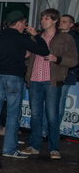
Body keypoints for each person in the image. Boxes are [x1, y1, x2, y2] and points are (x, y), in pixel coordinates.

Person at [0, 10, 49, 158]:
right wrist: (36, 36)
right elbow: (44, 51)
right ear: (19, 23)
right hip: (14, 77)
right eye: (24, 23)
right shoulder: (21, 38)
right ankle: (9, 150)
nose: (25, 26)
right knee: (13, 114)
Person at [20, 9, 78, 160]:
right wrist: (27, 56)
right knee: (35, 114)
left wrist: (57, 59)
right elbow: (28, 57)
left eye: (46, 18)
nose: (43, 21)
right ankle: (34, 146)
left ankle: (54, 148)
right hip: (35, 79)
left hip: (52, 80)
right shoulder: (36, 37)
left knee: (52, 115)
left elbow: (73, 60)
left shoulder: (65, 38)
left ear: (55, 21)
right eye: (42, 18)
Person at [58, 14, 79, 122]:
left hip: (66, 74)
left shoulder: (74, 39)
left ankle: (53, 129)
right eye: (60, 21)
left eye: (64, 21)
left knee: (59, 103)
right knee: (49, 104)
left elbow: (75, 58)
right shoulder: (55, 35)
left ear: (71, 25)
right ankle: (47, 129)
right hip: (54, 74)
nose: (61, 23)